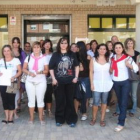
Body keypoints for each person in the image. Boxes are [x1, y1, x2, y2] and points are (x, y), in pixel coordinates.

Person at [49, 37, 79, 127]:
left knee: (70, 101)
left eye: (65, 43)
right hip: (59, 82)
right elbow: (51, 68)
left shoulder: (72, 54)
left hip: (70, 81)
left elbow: (77, 66)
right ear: (59, 44)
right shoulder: (55, 55)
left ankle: (71, 120)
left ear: (67, 44)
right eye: (62, 43)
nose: (63, 45)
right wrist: (53, 78)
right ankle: (59, 119)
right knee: (60, 101)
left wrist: (76, 77)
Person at [110, 42, 138, 132]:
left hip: (125, 82)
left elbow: (136, 68)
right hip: (115, 82)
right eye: (116, 48)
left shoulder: (127, 57)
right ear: (114, 49)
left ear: (122, 48)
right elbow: (110, 71)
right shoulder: (112, 58)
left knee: (124, 101)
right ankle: (123, 116)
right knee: (120, 100)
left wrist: (129, 65)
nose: (118, 49)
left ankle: (121, 123)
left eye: (119, 47)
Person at [23, 41, 49, 125]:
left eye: (38, 47)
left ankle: (41, 118)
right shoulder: (28, 57)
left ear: (40, 48)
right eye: (34, 47)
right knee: (31, 100)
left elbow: (46, 71)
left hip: (41, 81)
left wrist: (40, 72)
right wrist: (29, 73)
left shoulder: (44, 58)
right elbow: (24, 68)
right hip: (30, 81)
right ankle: (31, 118)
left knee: (40, 100)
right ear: (32, 48)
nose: (36, 49)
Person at [89, 44, 113, 127]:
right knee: (95, 102)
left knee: (104, 102)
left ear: (106, 50)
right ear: (98, 50)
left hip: (106, 83)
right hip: (96, 83)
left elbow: (111, 71)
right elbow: (91, 72)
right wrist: (91, 83)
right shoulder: (93, 59)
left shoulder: (109, 59)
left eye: (104, 49)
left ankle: (102, 119)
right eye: (100, 49)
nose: (102, 50)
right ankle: (94, 118)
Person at [0, 45, 22, 124]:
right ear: (3, 52)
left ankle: (10, 118)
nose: (6, 52)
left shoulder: (15, 60)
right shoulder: (1, 61)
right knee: (5, 100)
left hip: (12, 83)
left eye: (8, 50)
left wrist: (14, 76)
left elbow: (20, 71)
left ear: (11, 51)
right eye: (4, 51)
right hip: (2, 83)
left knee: (11, 100)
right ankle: (6, 117)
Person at [75, 41, 92, 121]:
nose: (76, 48)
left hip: (85, 78)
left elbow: (90, 69)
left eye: (77, 47)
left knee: (85, 97)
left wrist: (82, 68)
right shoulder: (74, 56)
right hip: (76, 78)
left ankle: (84, 113)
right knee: (76, 97)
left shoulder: (88, 57)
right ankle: (75, 112)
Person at [124, 38, 140, 117]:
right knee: (126, 94)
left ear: (133, 44)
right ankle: (127, 107)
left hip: (134, 76)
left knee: (134, 94)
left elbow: (137, 66)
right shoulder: (124, 53)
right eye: (128, 43)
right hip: (125, 76)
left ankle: (133, 110)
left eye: (131, 43)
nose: (130, 45)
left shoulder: (137, 53)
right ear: (126, 44)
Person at [42, 39, 54, 117]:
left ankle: (49, 110)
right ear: (43, 45)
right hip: (41, 76)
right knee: (42, 94)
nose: (47, 45)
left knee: (49, 94)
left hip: (50, 77)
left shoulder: (53, 54)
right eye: (46, 44)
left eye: (49, 44)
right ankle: (42, 110)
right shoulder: (40, 54)